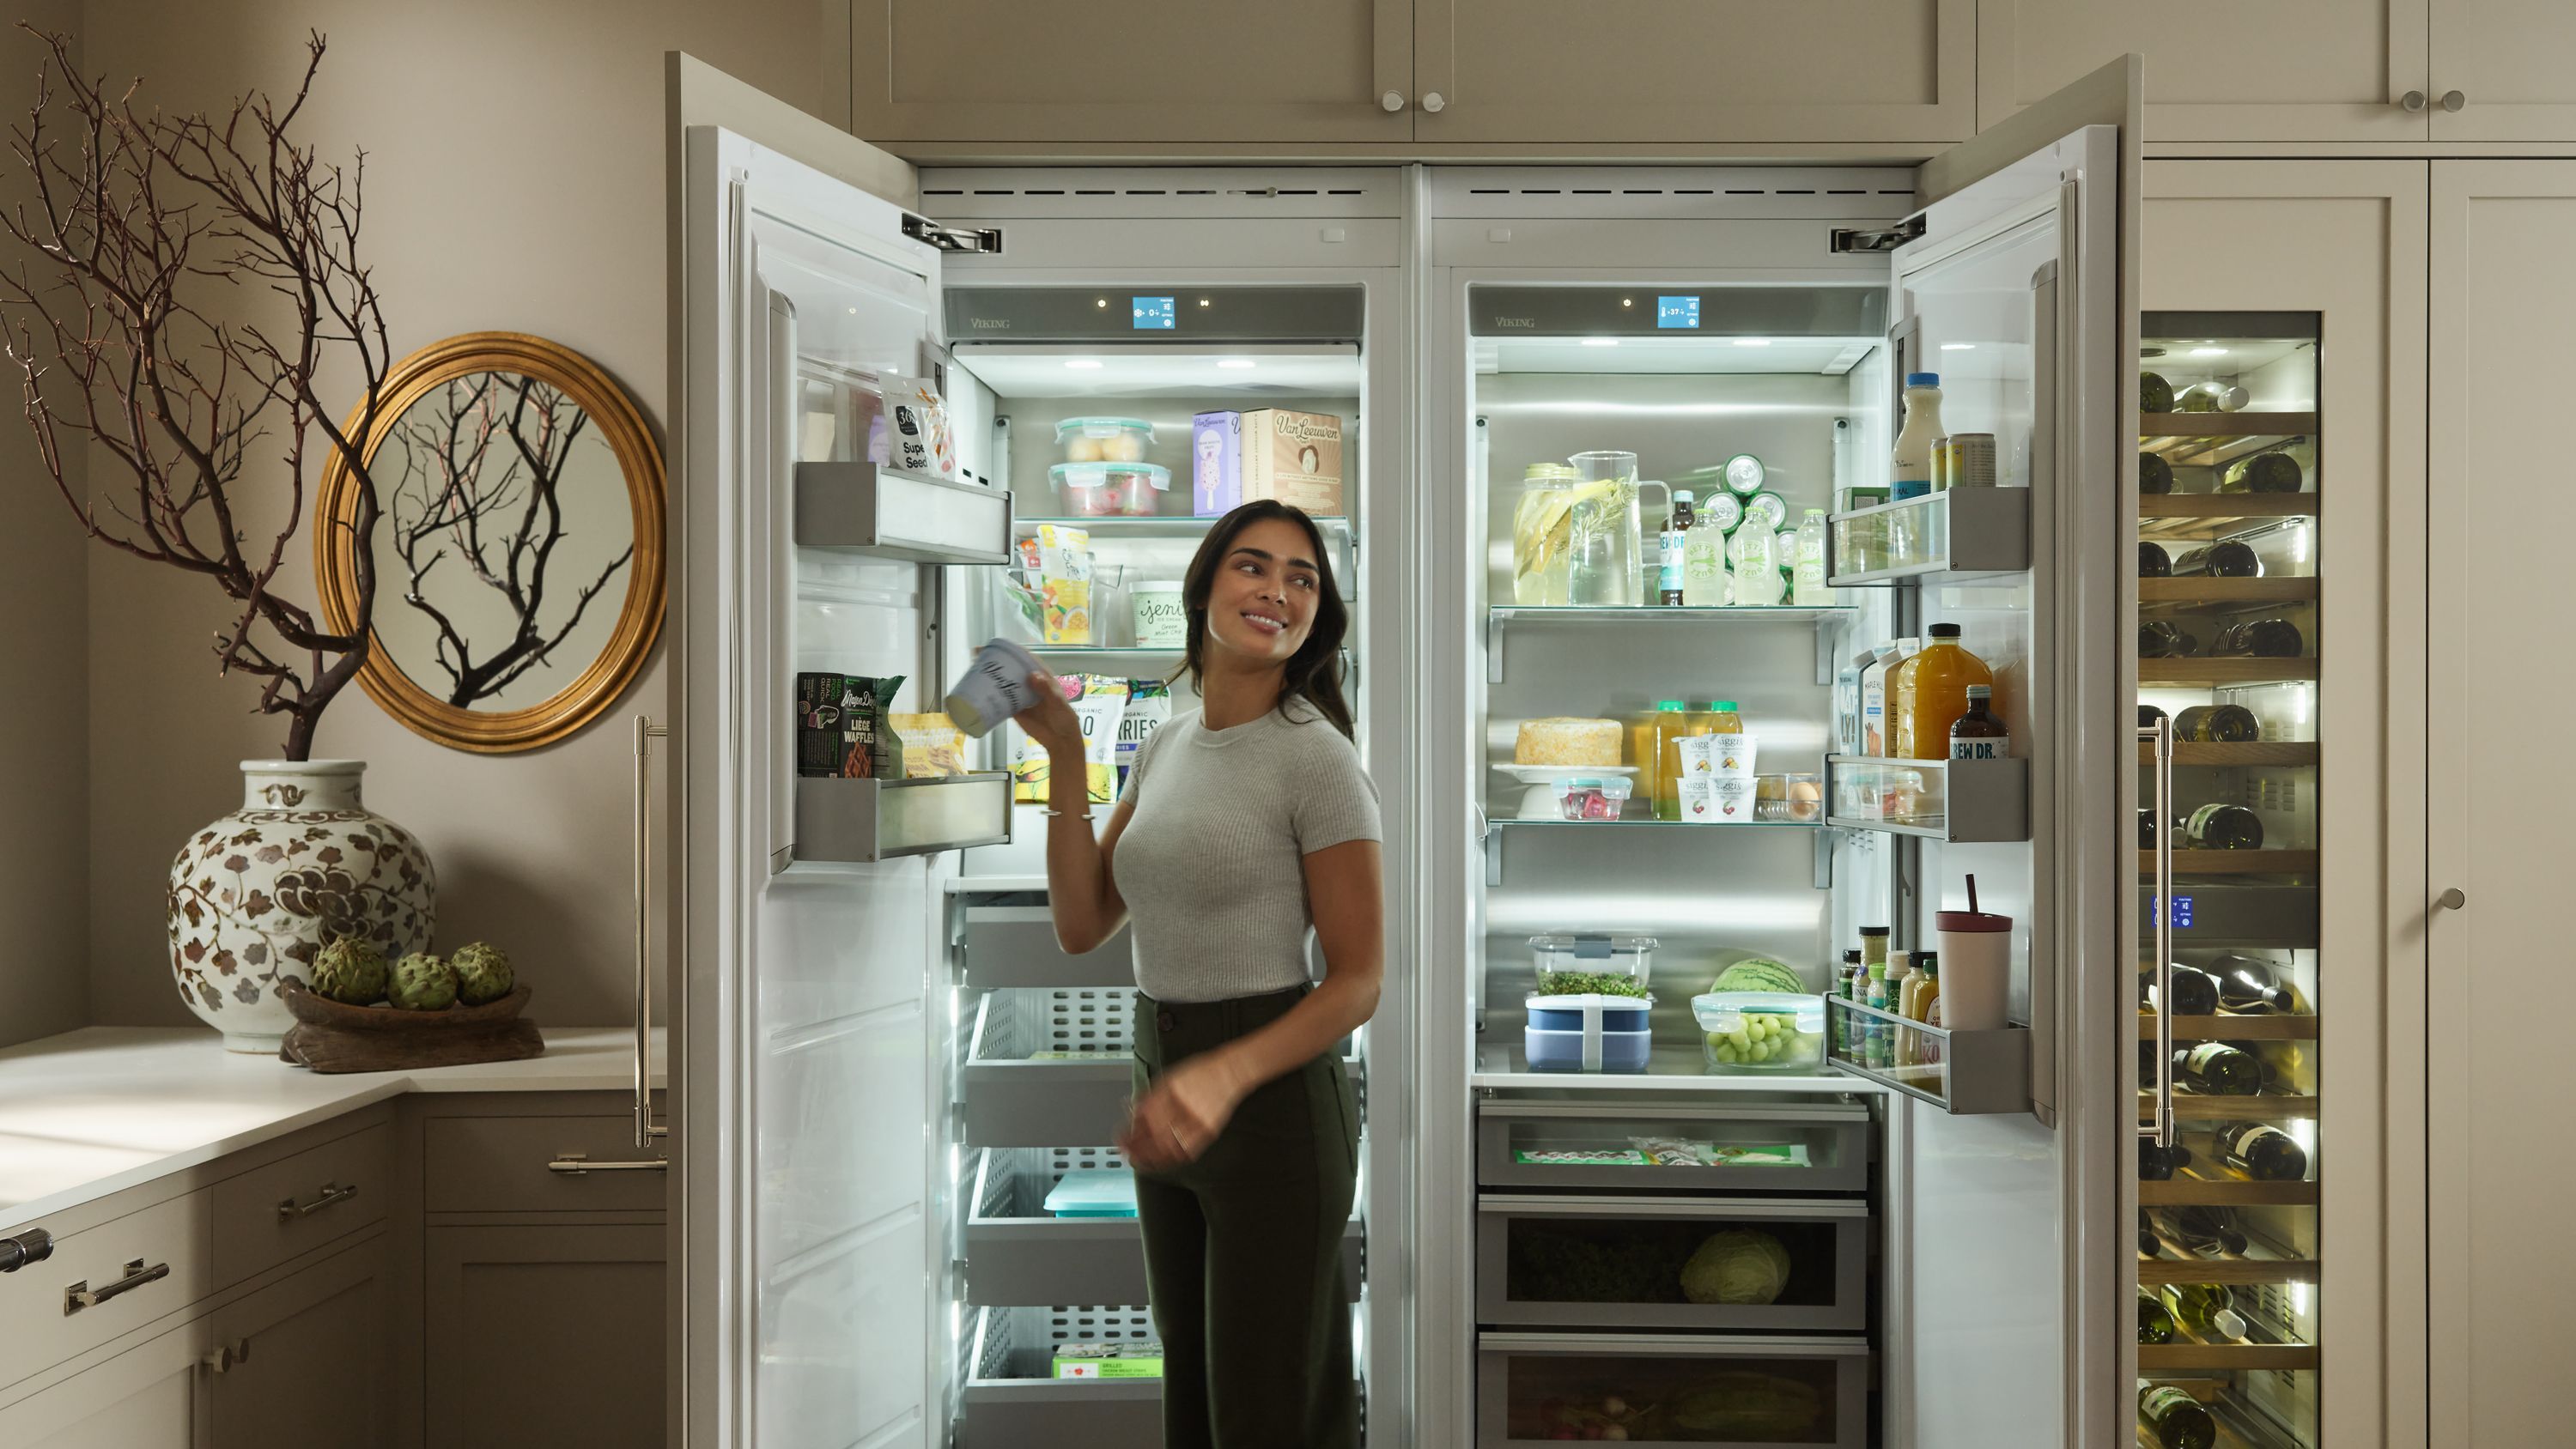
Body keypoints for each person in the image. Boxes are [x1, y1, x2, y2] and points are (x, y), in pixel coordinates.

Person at [1015, 499, 1380, 1449]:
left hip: (1271, 1102)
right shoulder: (1168, 741)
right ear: (1205, 585)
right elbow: (1082, 922)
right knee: (1196, 1380)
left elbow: (1358, 980)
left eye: (1302, 578)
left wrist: (1224, 1072)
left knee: (1271, 1401)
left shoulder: (1319, 759)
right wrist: (1065, 755)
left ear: (1317, 615)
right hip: (1162, 1067)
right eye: (1253, 567)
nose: (1278, 591)